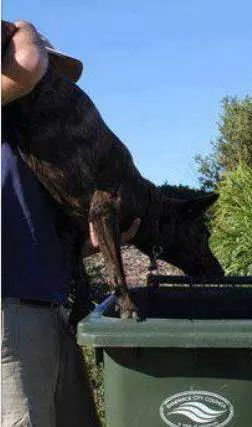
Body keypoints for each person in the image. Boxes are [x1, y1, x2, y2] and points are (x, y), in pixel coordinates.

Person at [1, 20, 139, 426]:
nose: (52, 89)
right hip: (10, 317)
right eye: (47, 74)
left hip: (50, 313)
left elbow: (44, 236)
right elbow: (26, 59)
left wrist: (94, 243)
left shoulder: (45, 155)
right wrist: (27, 32)